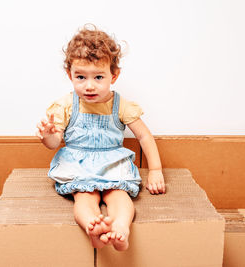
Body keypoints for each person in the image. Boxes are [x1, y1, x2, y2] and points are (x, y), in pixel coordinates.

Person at [36, 25, 165, 251]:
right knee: (85, 197)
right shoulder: (67, 105)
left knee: (119, 196)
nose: (89, 85)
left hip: (112, 164)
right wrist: (48, 136)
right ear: (70, 75)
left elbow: (144, 136)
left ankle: (121, 229)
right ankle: (92, 227)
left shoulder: (121, 105)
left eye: (98, 77)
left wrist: (155, 170)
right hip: (78, 164)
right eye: (80, 77)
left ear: (113, 76)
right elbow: (54, 143)